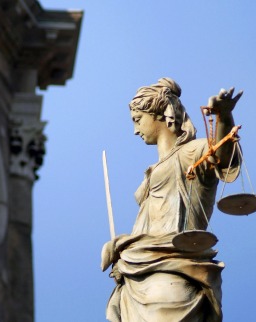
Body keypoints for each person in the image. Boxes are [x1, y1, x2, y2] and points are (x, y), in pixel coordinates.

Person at [101, 78, 243, 322]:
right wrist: (122, 247)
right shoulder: (152, 170)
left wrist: (223, 117)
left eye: (138, 119)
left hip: (173, 267)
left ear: (161, 114)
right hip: (136, 273)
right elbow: (150, 224)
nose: (135, 130)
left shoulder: (192, 153)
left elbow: (222, 155)